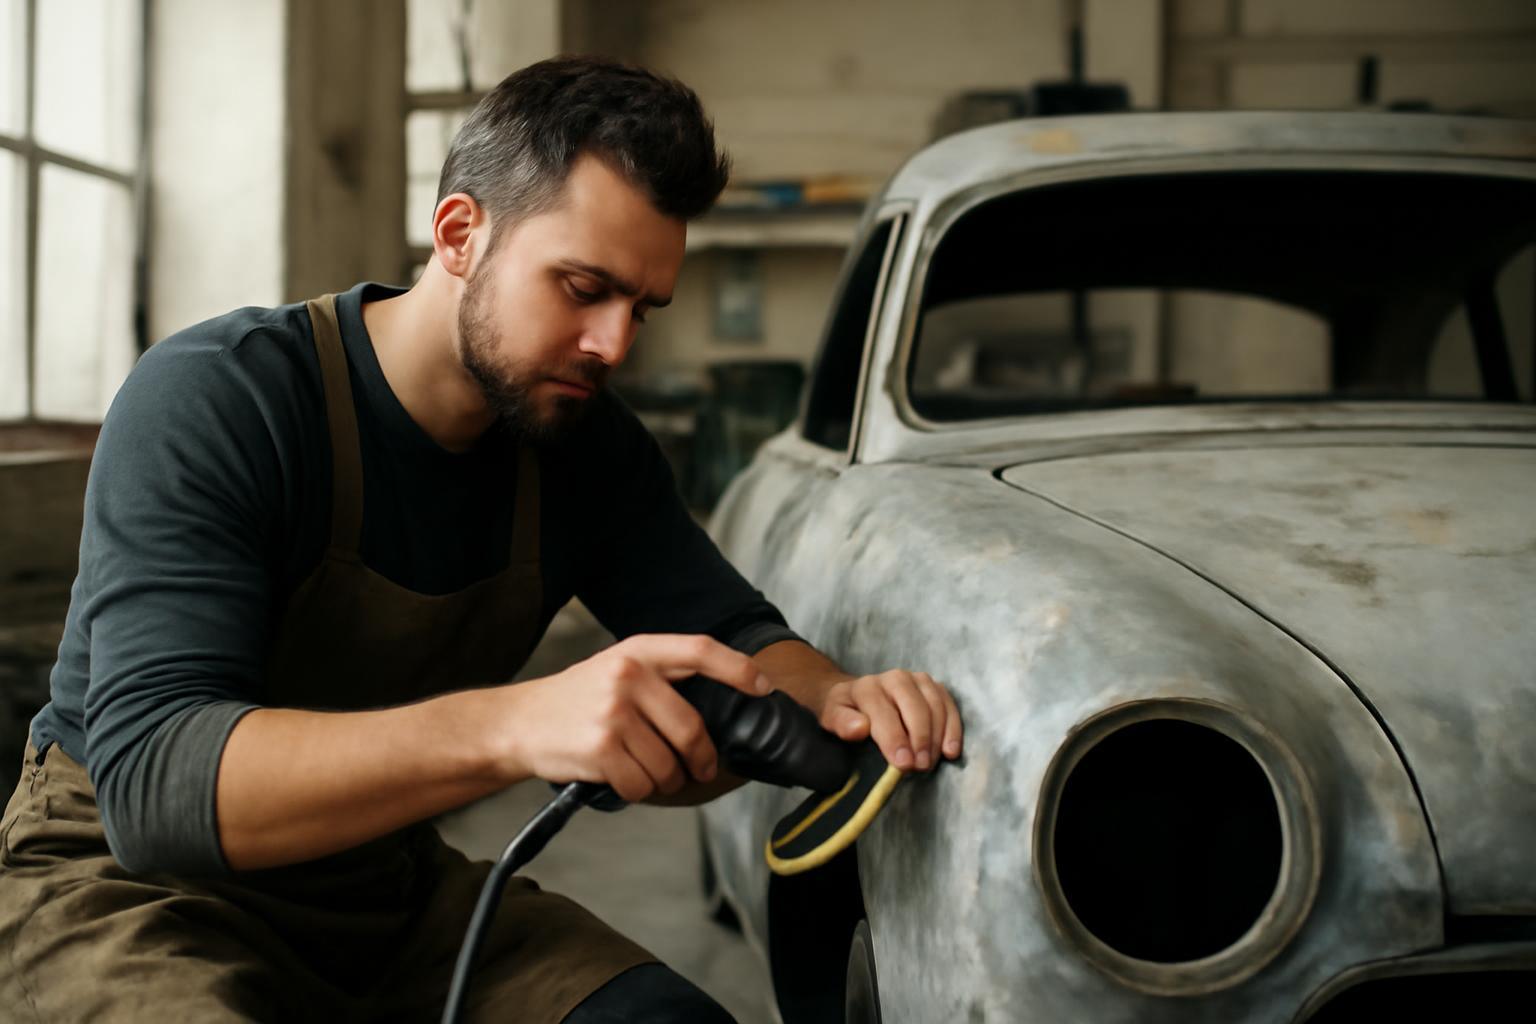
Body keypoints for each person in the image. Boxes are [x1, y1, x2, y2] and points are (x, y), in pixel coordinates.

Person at [0, 56, 962, 1022]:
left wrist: (839, 697)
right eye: (583, 288)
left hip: (381, 890)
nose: (614, 344)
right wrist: (515, 725)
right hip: (126, 886)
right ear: (460, 233)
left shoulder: (586, 448)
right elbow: (155, 787)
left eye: (641, 307)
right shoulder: (222, 397)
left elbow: (738, 634)